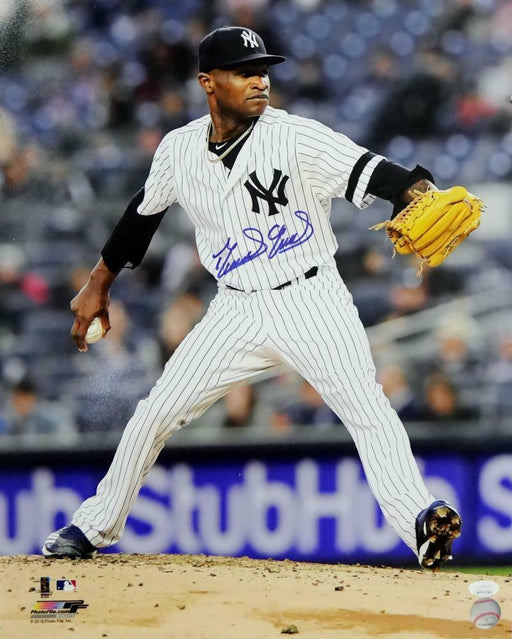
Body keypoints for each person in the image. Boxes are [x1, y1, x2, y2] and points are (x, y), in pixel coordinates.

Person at [42, 26, 463, 570]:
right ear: (207, 82)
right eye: (245, 71)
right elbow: (140, 217)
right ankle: (93, 526)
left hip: (312, 299)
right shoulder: (179, 149)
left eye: (263, 69)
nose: (260, 79)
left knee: (367, 410)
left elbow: (379, 172)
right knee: (155, 414)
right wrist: (99, 281)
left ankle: (420, 520)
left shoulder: (296, 137)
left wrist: (418, 191)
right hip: (235, 308)